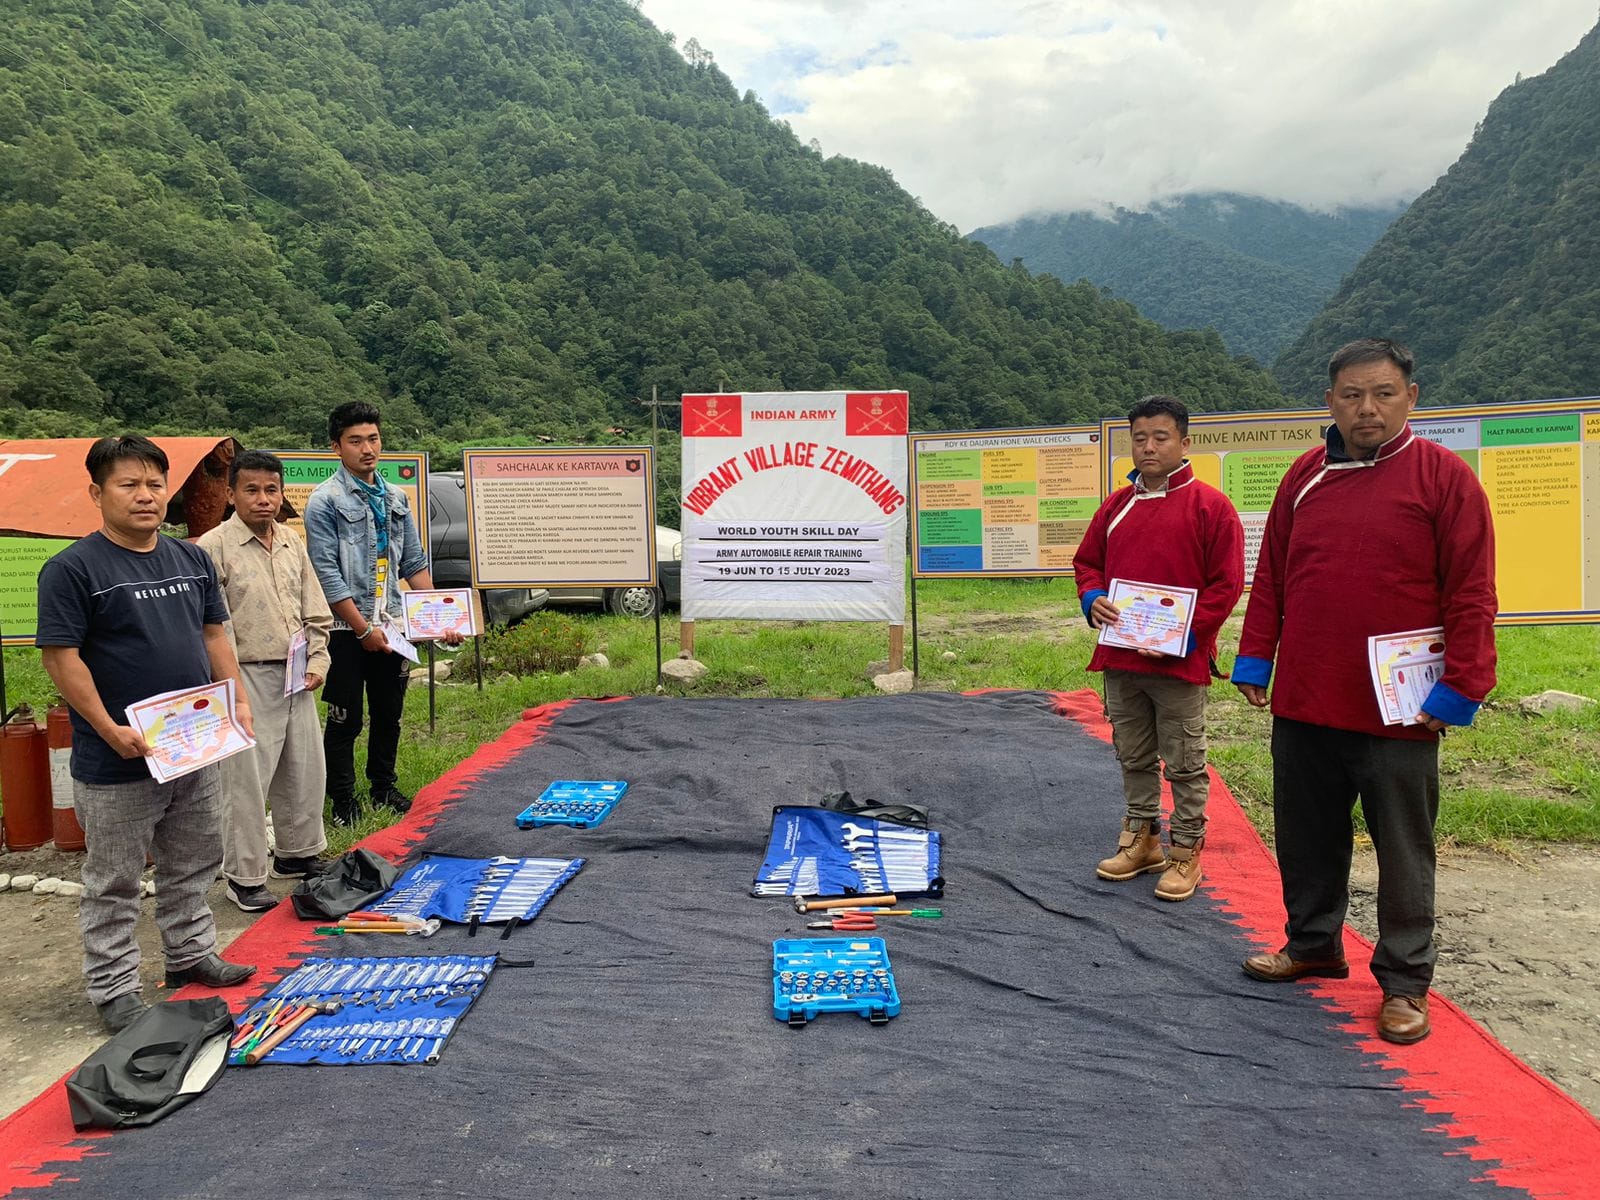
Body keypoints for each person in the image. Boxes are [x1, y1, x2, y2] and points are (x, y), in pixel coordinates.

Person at [1231, 337, 1497, 1045]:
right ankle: (1314, 943)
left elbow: (1472, 593)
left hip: (1401, 708)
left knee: (1403, 849)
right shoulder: (1304, 476)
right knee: (1306, 836)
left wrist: (1461, 689)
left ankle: (1406, 982)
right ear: (1330, 401)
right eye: (1352, 395)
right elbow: (1275, 579)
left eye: (1383, 393)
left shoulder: (1444, 479)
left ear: (1412, 396)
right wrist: (1256, 659)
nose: (1367, 409)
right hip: (1309, 696)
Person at [36, 436, 258, 1032]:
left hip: (195, 741)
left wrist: (233, 702)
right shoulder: (73, 569)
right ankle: (114, 985)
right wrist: (107, 728)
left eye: (154, 484)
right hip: (119, 756)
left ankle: (190, 954)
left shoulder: (190, 560)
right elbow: (62, 658)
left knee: (194, 857)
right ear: (97, 493)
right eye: (128, 484)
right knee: (114, 879)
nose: (145, 496)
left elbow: (215, 635)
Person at [1073, 395, 1245, 901]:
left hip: (1180, 662)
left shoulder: (1211, 508)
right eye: (1140, 438)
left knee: (1186, 760)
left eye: (1160, 437)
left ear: (1184, 443)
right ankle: (1142, 838)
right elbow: (1087, 563)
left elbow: (1226, 585)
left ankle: (1186, 848)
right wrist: (1093, 598)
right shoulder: (1117, 506)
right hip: (1122, 658)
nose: (1148, 447)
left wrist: (1184, 637)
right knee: (1134, 754)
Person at [303, 401, 459, 826]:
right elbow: (327, 575)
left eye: (372, 439)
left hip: (392, 624)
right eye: (355, 441)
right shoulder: (324, 502)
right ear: (337, 446)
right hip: (344, 629)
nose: (367, 448)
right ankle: (342, 799)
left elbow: (413, 562)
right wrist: (361, 629)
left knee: (389, 714)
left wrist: (440, 618)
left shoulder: (395, 497)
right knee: (344, 717)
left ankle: (383, 786)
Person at [196, 450, 334, 907]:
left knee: (304, 769)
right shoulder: (211, 548)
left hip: (297, 674)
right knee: (246, 782)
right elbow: (213, 628)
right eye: (251, 490)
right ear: (231, 493)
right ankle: (245, 876)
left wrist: (318, 661)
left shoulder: (293, 542)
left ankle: (297, 855)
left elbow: (314, 608)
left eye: (271, 489)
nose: (263, 499)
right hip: (245, 676)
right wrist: (229, 684)